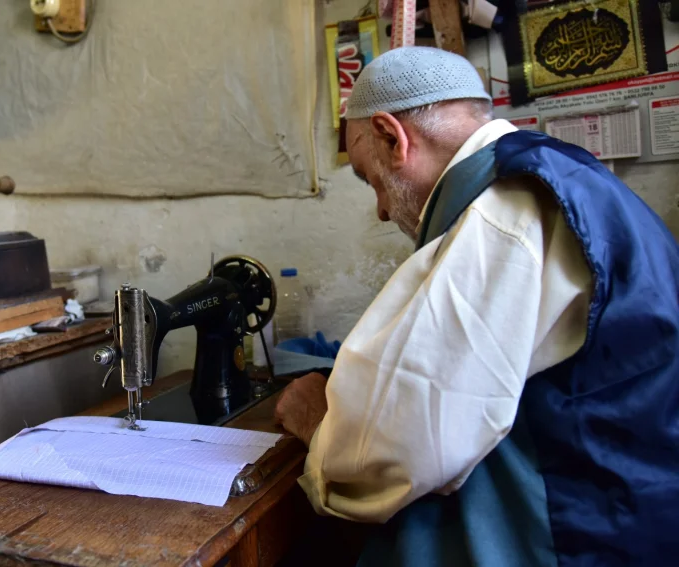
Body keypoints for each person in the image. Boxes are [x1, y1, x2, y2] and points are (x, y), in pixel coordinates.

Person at [274, 46, 679, 566]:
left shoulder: (504, 210)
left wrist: (317, 425)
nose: (379, 208)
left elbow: (410, 447)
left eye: (370, 179)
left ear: (391, 138)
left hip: (582, 533)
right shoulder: (560, 176)